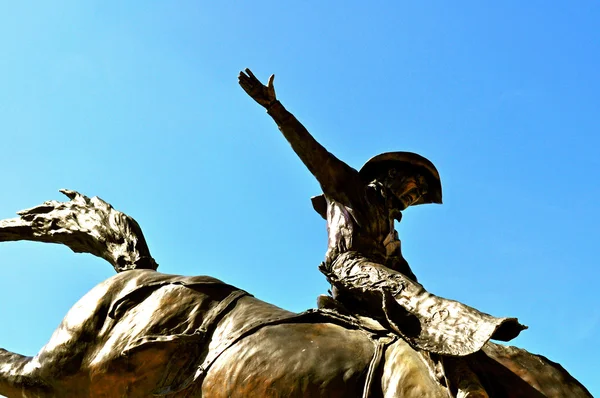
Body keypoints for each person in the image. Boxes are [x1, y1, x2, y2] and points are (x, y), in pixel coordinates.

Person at [238, 69, 525, 357]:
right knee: (406, 293)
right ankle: (474, 326)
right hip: (348, 267)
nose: (416, 195)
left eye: (421, 194)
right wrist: (274, 108)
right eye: (417, 184)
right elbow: (311, 150)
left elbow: (410, 279)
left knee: (416, 314)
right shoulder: (350, 187)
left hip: (380, 281)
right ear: (392, 174)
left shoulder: (391, 233)